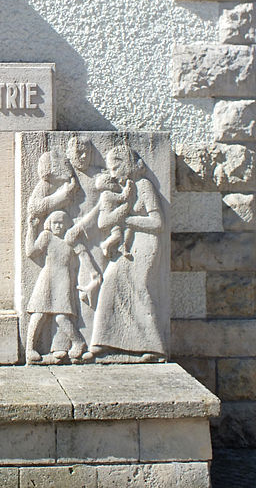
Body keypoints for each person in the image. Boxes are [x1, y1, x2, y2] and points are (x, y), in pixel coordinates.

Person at [87, 145, 166, 362]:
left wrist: (127, 219)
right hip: (128, 244)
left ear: (128, 164)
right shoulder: (123, 190)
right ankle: (104, 341)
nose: (112, 173)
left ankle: (154, 346)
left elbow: (158, 222)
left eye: (115, 167)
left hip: (145, 243)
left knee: (139, 288)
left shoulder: (144, 186)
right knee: (111, 282)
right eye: (110, 168)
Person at [25, 210, 87, 363]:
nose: (58, 226)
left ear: (67, 225)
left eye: (61, 223)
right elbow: (31, 252)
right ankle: (29, 348)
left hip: (63, 280)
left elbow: (84, 256)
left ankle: (78, 342)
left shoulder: (70, 240)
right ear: (50, 224)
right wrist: (32, 229)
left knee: (61, 317)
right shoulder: (47, 236)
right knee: (38, 313)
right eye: (55, 222)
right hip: (46, 278)